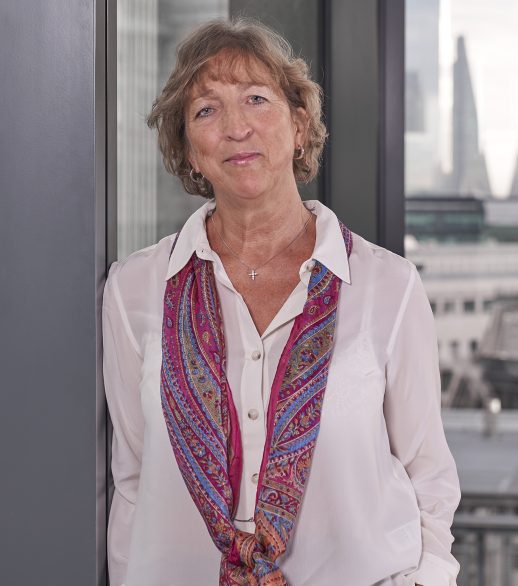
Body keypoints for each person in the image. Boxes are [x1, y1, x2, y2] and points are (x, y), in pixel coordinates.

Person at [102, 17, 461, 586]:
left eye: (256, 99)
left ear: (298, 126)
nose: (236, 127)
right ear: (190, 152)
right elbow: (132, 481)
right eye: (207, 111)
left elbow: (429, 471)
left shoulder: (388, 286)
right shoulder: (134, 290)